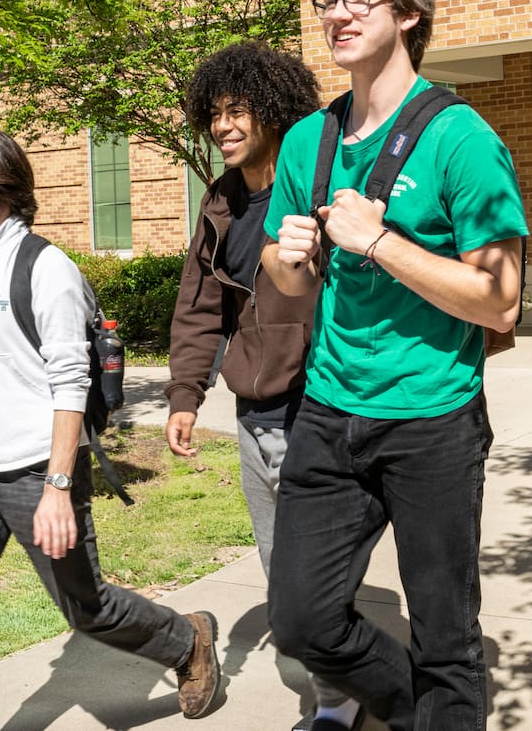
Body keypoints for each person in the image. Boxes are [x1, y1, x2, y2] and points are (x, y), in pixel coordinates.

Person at [261, 0, 528, 731]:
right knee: (303, 618)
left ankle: (445, 703)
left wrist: (377, 241)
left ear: (408, 14)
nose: (338, 13)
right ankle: (423, 709)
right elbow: (287, 281)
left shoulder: (461, 138)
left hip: (433, 419)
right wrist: (291, 258)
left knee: (446, 633)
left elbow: (500, 301)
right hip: (329, 411)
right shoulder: (308, 141)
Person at [0, 130, 222, 729]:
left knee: (87, 609)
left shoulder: (46, 268)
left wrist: (58, 486)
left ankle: (186, 642)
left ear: (3, 183)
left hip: (36, 469)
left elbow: (70, 384)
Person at [164, 43, 362, 731]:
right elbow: (197, 308)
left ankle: (337, 700)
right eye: (213, 113)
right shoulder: (219, 203)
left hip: (320, 404)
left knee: (316, 575)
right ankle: (340, 680)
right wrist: (186, 396)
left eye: (237, 109)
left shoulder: (317, 190)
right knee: (283, 572)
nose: (222, 125)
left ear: (274, 109)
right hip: (255, 412)